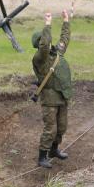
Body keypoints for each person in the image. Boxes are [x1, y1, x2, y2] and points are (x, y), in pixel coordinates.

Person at [32, 10, 73, 168]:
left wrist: (66, 21)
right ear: (40, 43)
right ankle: (42, 157)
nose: (47, 43)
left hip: (62, 96)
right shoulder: (39, 58)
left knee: (61, 127)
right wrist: (47, 24)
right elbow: (43, 46)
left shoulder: (56, 52)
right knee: (51, 128)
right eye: (44, 41)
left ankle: (54, 150)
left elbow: (65, 39)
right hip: (49, 99)